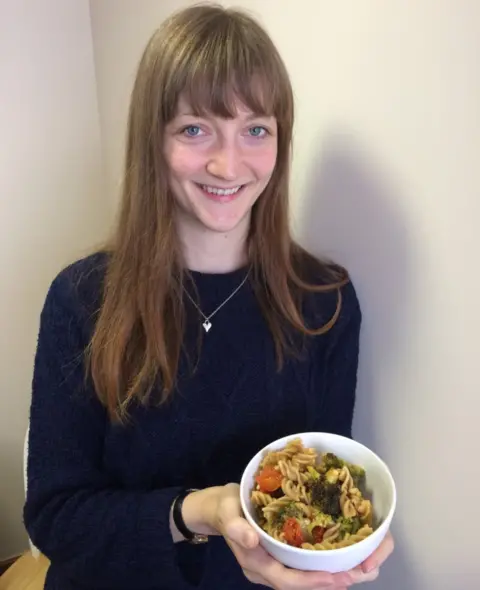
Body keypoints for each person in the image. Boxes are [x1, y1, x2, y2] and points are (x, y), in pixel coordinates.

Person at [23, 3, 393, 590]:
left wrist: (349, 541)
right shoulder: (80, 300)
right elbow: (54, 518)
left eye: (256, 130)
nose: (228, 163)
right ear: (154, 141)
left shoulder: (326, 304)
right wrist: (196, 512)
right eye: (195, 129)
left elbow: (328, 485)